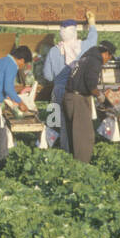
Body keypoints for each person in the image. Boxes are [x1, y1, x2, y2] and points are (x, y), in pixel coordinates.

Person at [42, 15, 98, 151]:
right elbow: (93, 39)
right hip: (76, 93)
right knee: (77, 123)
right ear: (75, 32)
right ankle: (77, 152)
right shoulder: (83, 47)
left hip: (57, 92)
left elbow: (48, 76)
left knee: (58, 123)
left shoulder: (54, 50)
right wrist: (92, 23)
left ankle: (62, 150)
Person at [64, 40, 117, 164]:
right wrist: (101, 98)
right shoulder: (95, 61)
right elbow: (91, 84)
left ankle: (73, 163)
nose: (107, 60)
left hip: (70, 96)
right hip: (78, 98)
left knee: (75, 133)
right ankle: (82, 166)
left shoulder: (86, 56)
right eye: (109, 58)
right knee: (85, 136)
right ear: (106, 54)